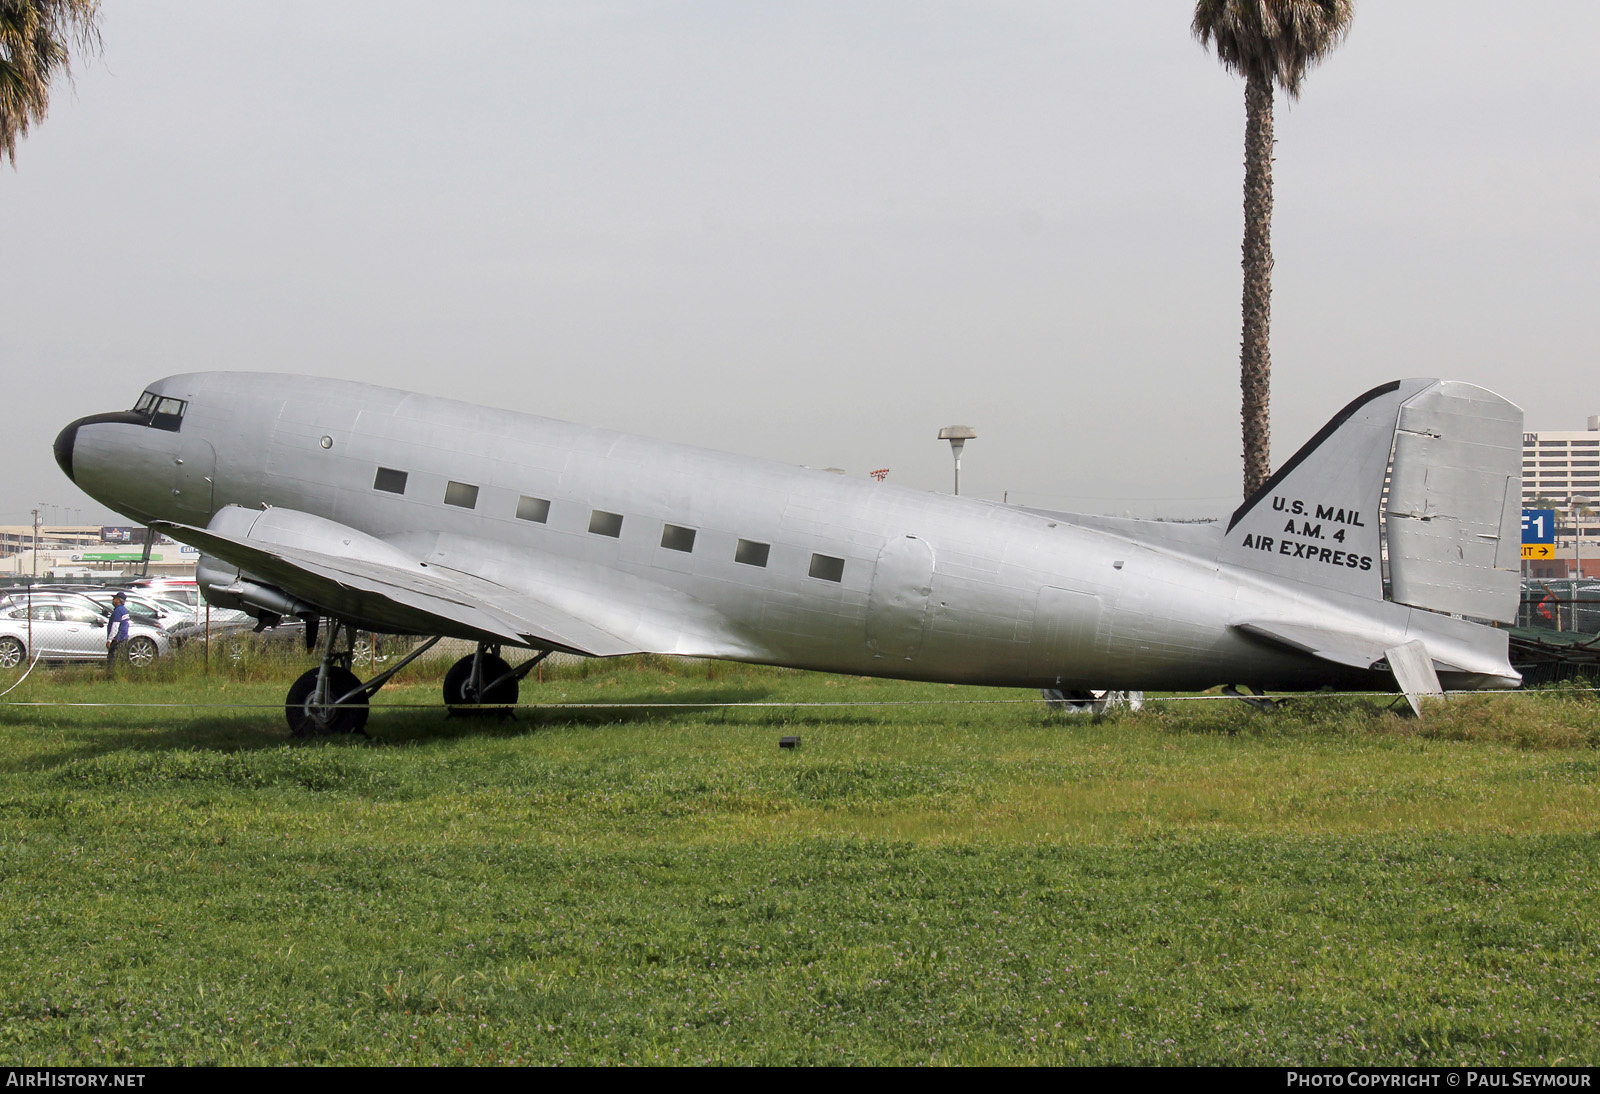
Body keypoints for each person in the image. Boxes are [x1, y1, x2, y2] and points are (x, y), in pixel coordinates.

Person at [105, 592, 131, 675]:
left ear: (118, 600)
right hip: (123, 638)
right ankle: (121, 673)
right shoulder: (124, 610)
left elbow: (115, 626)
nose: (113, 600)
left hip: (117, 640)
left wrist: (110, 640)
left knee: (113, 660)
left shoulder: (118, 611)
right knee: (121, 659)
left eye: (114, 598)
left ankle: (112, 675)